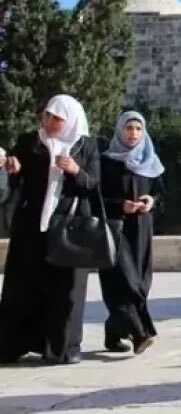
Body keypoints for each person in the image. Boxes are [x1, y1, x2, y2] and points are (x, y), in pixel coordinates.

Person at [0, 95, 99, 365]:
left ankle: (64, 348)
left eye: (58, 118)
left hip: (68, 226)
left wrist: (76, 170)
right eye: (47, 116)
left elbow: (92, 184)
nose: (50, 122)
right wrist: (14, 168)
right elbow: (17, 176)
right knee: (24, 284)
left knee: (66, 289)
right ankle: (15, 344)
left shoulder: (84, 145)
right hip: (31, 225)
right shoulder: (29, 141)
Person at [98, 111, 165, 356]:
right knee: (126, 283)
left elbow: (163, 196)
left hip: (141, 231)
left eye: (138, 128)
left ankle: (113, 334)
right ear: (119, 130)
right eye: (129, 128)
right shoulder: (106, 162)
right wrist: (120, 205)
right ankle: (140, 334)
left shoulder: (151, 162)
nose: (133, 133)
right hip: (115, 229)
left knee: (140, 283)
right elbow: (96, 199)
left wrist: (151, 201)